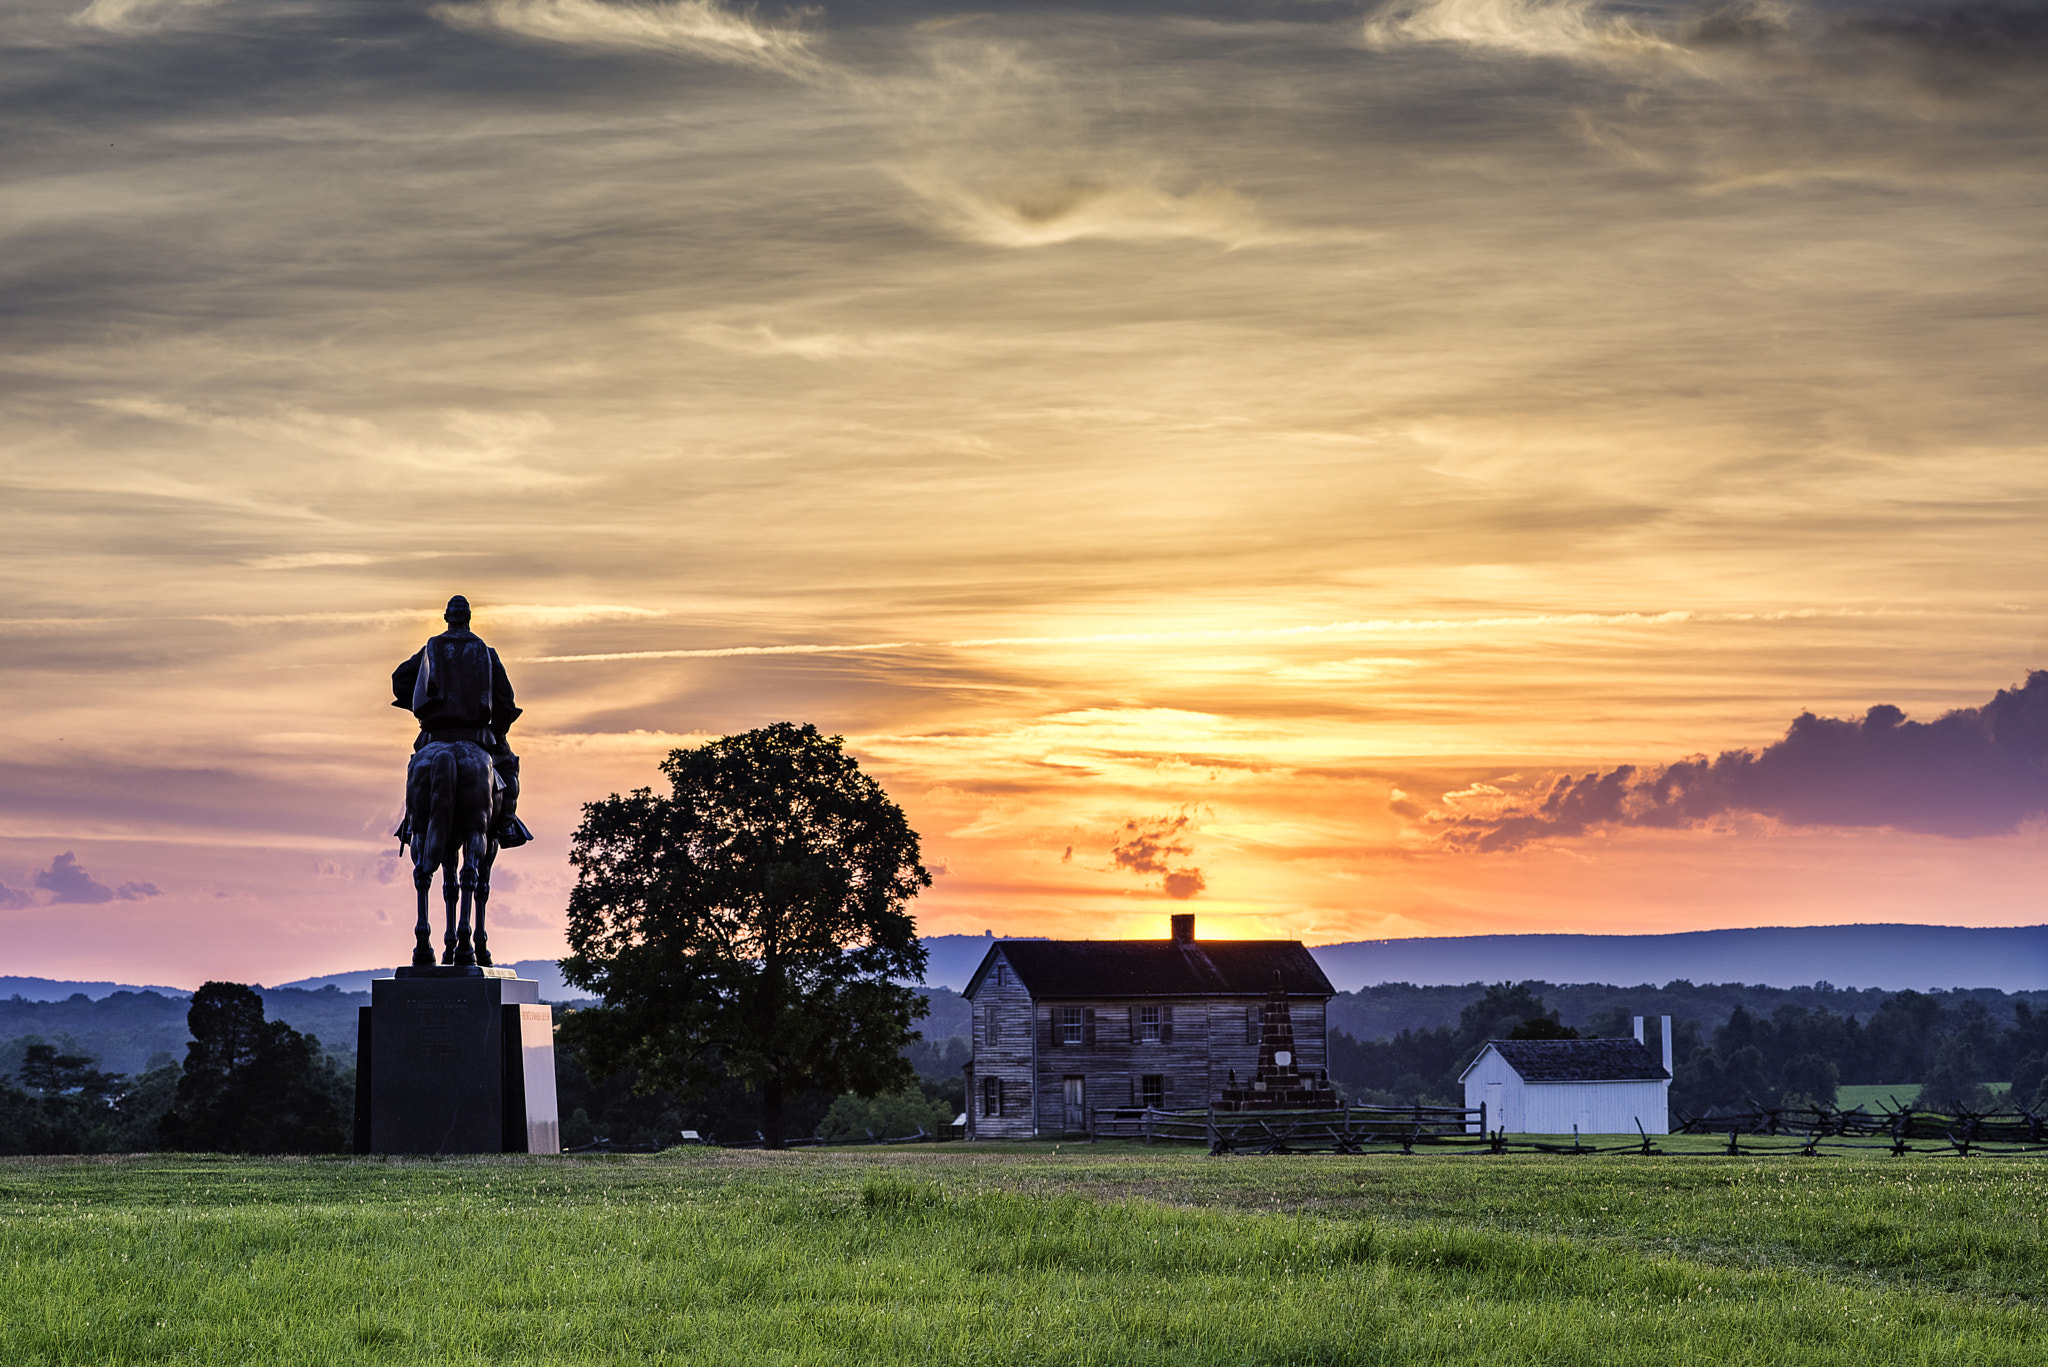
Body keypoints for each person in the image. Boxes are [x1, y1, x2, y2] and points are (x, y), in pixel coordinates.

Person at [391, 595, 531, 847]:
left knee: (417, 768)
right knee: (508, 765)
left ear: (447, 619)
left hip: (434, 736)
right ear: (469, 618)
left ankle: (412, 823)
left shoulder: (430, 650)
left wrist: (417, 702)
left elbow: (399, 678)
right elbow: (506, 700)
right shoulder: (487, 653)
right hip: (476, 735)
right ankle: (507, 825)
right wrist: (498, 732)